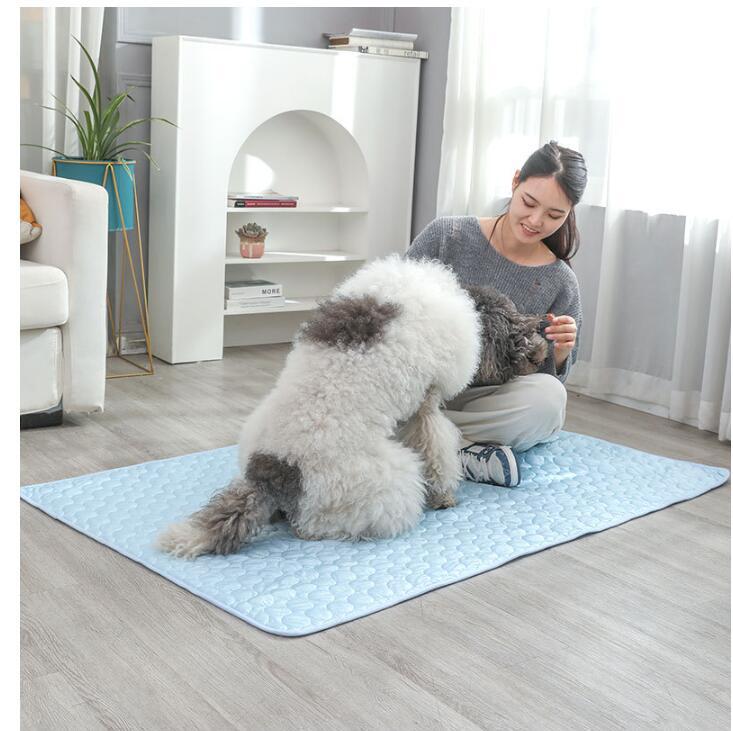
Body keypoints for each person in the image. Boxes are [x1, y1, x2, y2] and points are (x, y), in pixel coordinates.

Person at [404, 141, 588, 488]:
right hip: (420, 383)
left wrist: (561, 354)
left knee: (549, 402)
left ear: (570, 212)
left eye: (554, 215)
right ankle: (453, 448)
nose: (535, 221)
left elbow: (544, 379)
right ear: (516, 181)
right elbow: (393, 301)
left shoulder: (560, 280)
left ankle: (428, 441)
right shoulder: (448, 235)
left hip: (482, 401)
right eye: (529, 203)